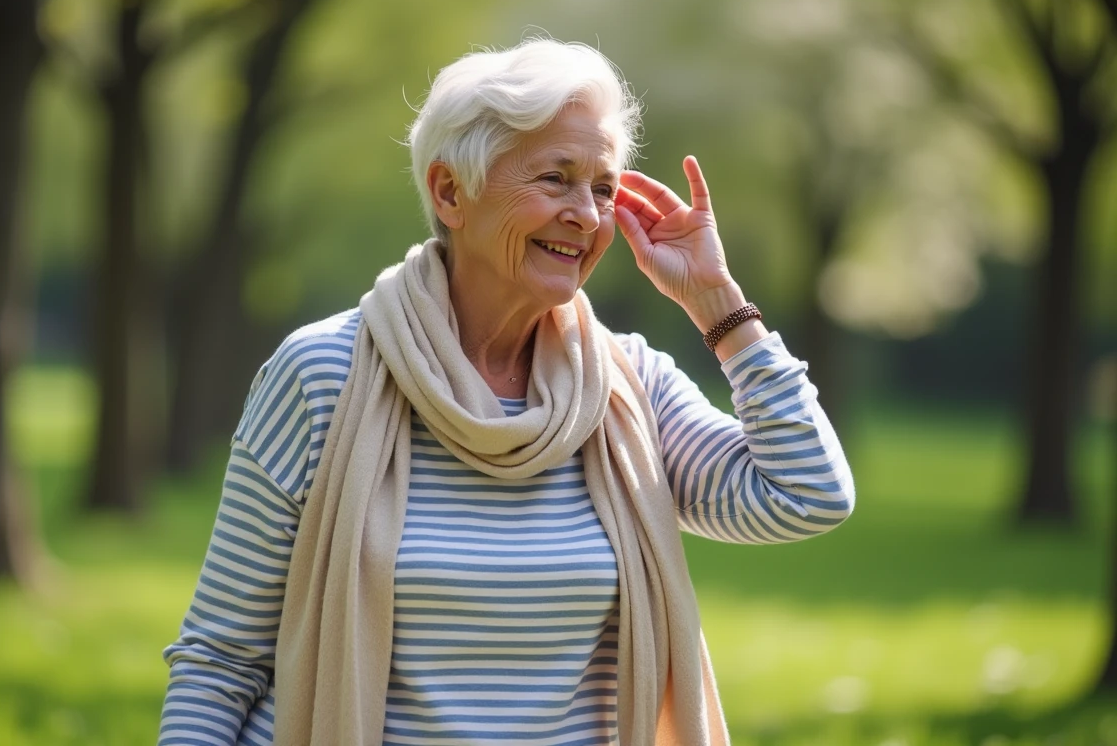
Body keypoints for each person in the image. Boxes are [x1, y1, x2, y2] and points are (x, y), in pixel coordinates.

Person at [157, 38, 855, 746]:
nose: (587, 214)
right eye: (556, 179)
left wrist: (719, 307)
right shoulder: (320, 376)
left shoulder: (629, 388)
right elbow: (220, 661)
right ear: (450, 192)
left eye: (604, 188)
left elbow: (808, 494)